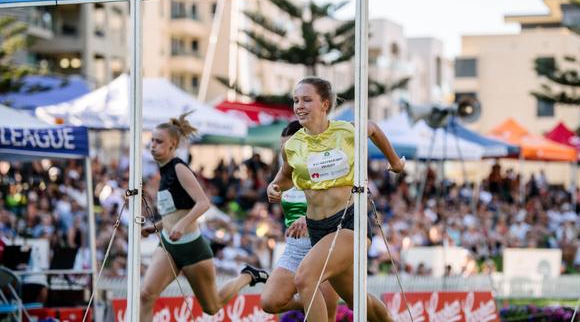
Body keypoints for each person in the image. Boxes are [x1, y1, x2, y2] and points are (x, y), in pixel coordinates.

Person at [267, 77, 404, 322]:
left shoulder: (345, 131)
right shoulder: (293, 144)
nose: (299, 105)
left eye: (307, 100)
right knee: (356, 300)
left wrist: (394, 162)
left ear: (325, 104)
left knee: (305, 279)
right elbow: (286, 176)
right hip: (318, 228)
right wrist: (275, 186)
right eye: (296, 100)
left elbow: (372, 127)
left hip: (349, 223)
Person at [140, 112, 268, 321]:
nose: (153, 145)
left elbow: (203, 203)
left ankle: (247, 276)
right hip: (168, 244)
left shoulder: (179, 167)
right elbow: (176, 212)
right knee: (146, 294)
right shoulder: (162, 171)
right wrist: (156, 227)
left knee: (212, 306)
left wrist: (181, 225)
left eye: (159, 141)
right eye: (152, 140)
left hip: (192, 247)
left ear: (172, 144)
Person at [261, 120, 339, 320]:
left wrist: (308, 217)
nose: (286, 152)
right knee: (270, 301)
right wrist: (272, 190)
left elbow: (336, 203)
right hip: (296, 248)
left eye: (290, 146)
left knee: (330, 312)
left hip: (323, 244)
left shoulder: (321, 168)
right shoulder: (284, 176)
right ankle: (309, 304)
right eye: (282, 147)